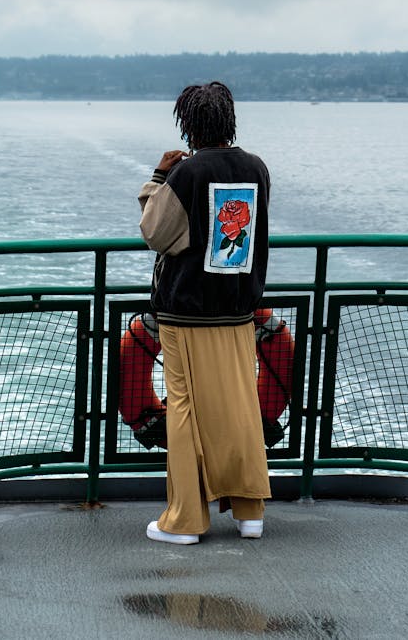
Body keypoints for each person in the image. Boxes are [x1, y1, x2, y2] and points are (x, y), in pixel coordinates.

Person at [138, 81, 271, 544]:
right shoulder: (256, 169)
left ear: (189, 124)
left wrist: (158, 177)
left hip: (186, 315)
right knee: (238, 406)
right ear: (229, 121)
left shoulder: (187, 174)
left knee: (184, 409)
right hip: (237, 311)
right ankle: (250, 513)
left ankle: (186, 520)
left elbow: (155, 232)